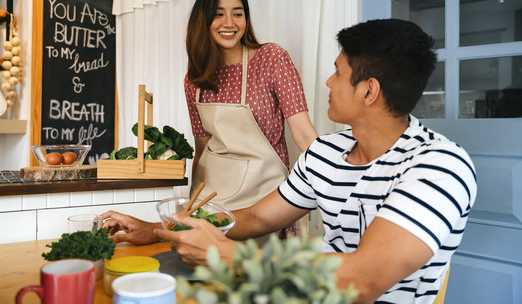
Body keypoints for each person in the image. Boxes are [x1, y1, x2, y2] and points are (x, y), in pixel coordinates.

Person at [103, 19, 477, 303]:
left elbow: (363, 280)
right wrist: (161, 228)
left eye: (338, 72)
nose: (328, 83)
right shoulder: (326, 153)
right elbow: (256, 217)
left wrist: (226, 254)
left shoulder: (439, 167)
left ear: (369, 90)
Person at [183, 0, 317, 215]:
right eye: (218, 14)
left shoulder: (272, 59)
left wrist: (334, 190)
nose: (229, 23)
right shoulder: (194, 80)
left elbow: (305, 136)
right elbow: (202, 152)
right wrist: (191, 205)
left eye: (237, 14)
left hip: (265, 203)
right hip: (211, 203)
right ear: (202, 21)